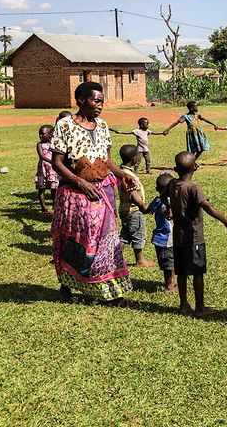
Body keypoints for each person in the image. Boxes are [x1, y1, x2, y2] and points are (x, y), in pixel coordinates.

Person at [49, 81, 138, 305]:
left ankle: (108, 292)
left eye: (101, 101)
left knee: (107, 240)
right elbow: (57, 162)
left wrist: (122, 175)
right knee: (78, 240)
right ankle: (68, 283)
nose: (99, 105)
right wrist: (81, 183)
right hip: (75, 194)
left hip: (103, 191)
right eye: (95, 100)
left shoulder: (102, 125)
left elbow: (107, 160)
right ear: (81, 100)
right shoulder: (65, 125)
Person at [169, 151, 227, 317]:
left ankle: (183, 304)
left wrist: (169, 208)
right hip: (193, 237)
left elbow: (164, 196)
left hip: (178, 237)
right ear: (195, 167)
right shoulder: (193, 188)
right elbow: (207, 207)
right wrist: (226, 221)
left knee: (181, 273)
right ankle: (200, 307)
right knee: (198, 272)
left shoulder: (172, 184)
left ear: (175, 169)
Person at [117, 145, 152, 268]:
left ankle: (116, 257)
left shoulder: (120, 171)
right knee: (138, 234)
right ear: (134, 159)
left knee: (125, 235)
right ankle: (140, 260)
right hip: (134, 210)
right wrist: (142, 205)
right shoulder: (129, 176)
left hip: (124, 210)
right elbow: (133, 193)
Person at [149, 173, 176, 293]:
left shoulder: (156, 200)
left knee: (168, 263)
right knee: (169, 264)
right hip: (168, 239)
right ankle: (169, 286)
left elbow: (146, 210)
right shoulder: (171, 202)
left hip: (159, 238)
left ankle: (172, 282)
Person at [35, 124, 58, 215]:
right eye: (39, 134)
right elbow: (41, 156)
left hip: (52, 170)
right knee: (42, 188)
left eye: (43, 134)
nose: (40, 136)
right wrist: (51, 161)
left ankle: (55, 206)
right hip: (44, 169)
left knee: (54, 188)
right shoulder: (39, 144)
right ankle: (43, 208)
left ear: (50, 134)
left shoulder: (54, 144)